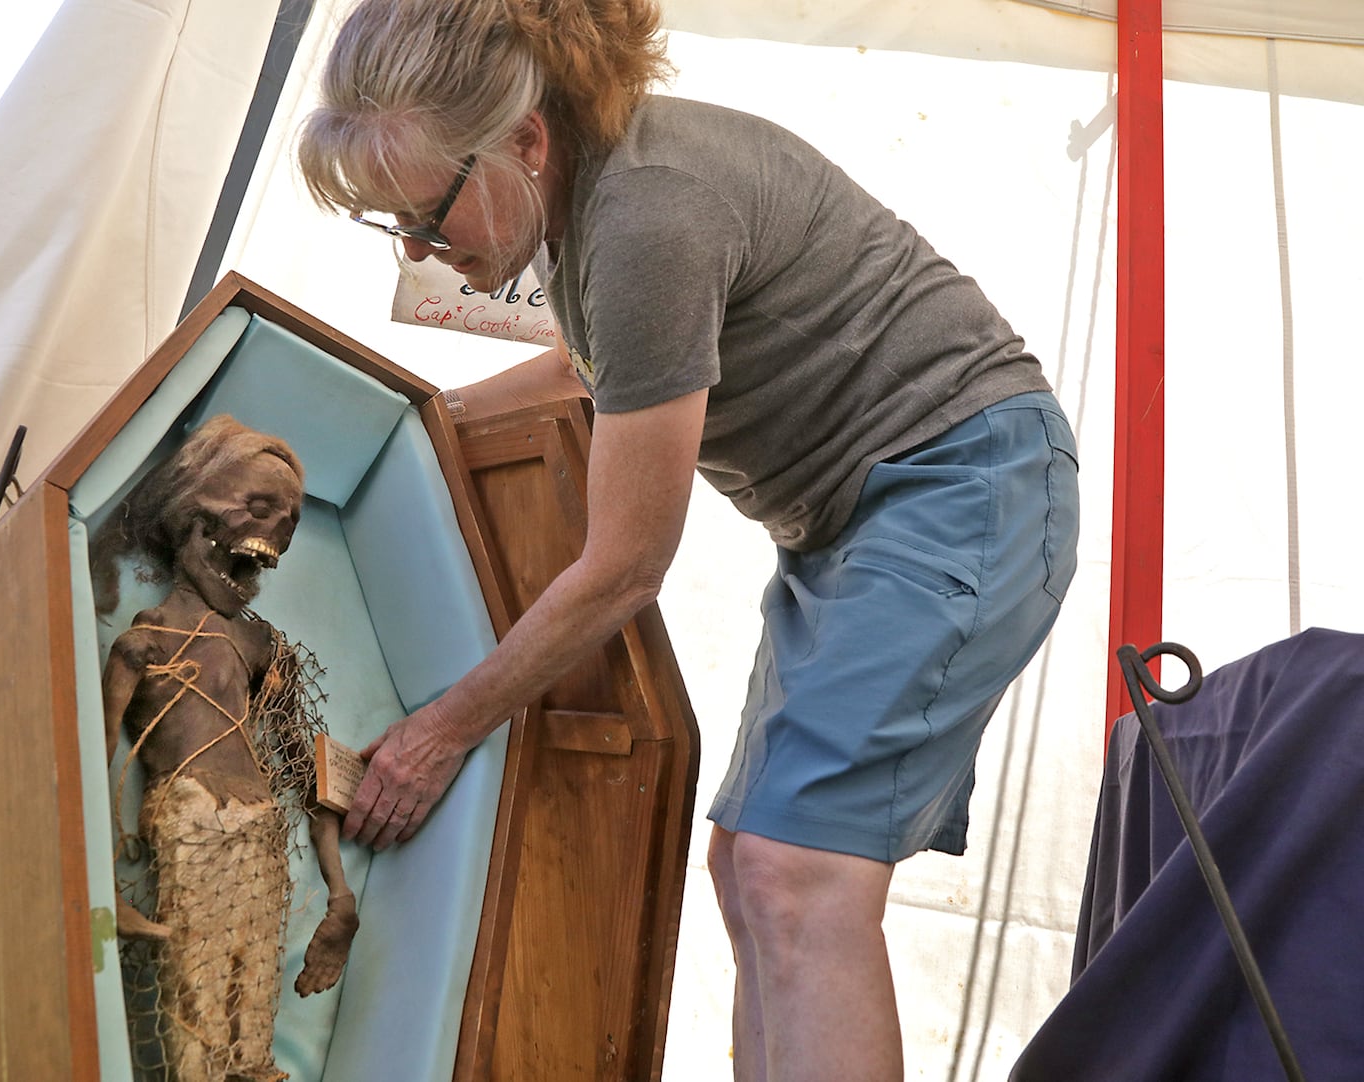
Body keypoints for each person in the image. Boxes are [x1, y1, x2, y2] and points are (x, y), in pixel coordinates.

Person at [295, 1, 1079, 1079]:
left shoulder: (646, 215)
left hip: (961, 480)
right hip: (845, 523)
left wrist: (441, 730)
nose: (424, 251)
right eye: (394, 230)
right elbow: (595, 369)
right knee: (749, 870)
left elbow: (625, 562)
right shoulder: (593, 196)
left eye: (429, 215)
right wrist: (408, 432)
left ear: (524, 139)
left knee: (795, 874)